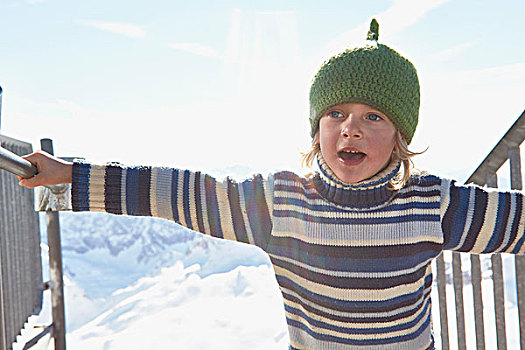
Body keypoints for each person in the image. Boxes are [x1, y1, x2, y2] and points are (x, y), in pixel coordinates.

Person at [18, 19, 525, 349]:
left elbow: (514, 222)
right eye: (336, 113)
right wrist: (71, 180)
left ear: (399, 137)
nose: (350, 128)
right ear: (316, 129)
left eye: (373, 115)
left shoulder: (431, 204)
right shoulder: (281, 202)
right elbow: (173, 192)